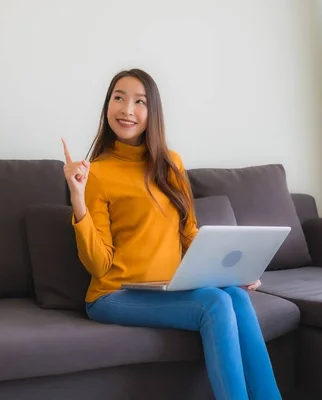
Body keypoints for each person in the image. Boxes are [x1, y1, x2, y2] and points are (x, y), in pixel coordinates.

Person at [61, 68, 281, 400]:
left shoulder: (171, 164)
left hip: (166, 289)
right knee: (215, 303)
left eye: (139, 102)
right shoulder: (97, 174)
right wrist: (78, 200)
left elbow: (189, 232)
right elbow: (99, 265)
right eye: (118, 98)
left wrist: (232, 274)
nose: (127, 110)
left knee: (234, 295)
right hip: (112, 295)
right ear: (107, 107)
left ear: (153, 114)